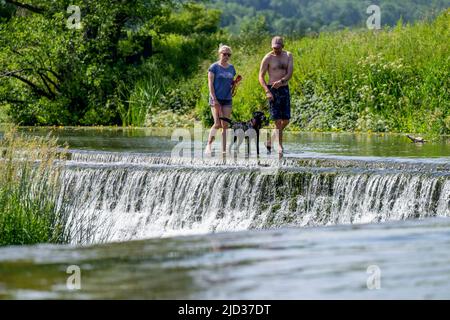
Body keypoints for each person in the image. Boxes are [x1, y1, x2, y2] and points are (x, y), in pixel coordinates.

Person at [258, 36, 293, 154]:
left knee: (286, 120)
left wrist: (282, 81)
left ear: (282, 46)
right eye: (274, 48)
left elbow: (290, 72)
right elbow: (261, 76)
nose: (276, 50)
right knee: (277, 121)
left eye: (278, 48)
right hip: (272, 90)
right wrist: (267, 91)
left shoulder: (288, 55)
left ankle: (269, 141)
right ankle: (279, 146)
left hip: (284, 88)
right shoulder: (268, 58)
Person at [205, 44, 238, 155]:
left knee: (225, 125)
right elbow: (210, 84)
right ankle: (209, 145)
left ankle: (224, 150)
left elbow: (230, 84)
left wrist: (234, 84)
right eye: (224, 54)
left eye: (229, 54)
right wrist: (214, 99)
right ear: (220, 54)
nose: (227, 56)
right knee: (217, 123)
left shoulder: (232, 68)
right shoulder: (213, 67)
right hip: (216, 98)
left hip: (227, 99)